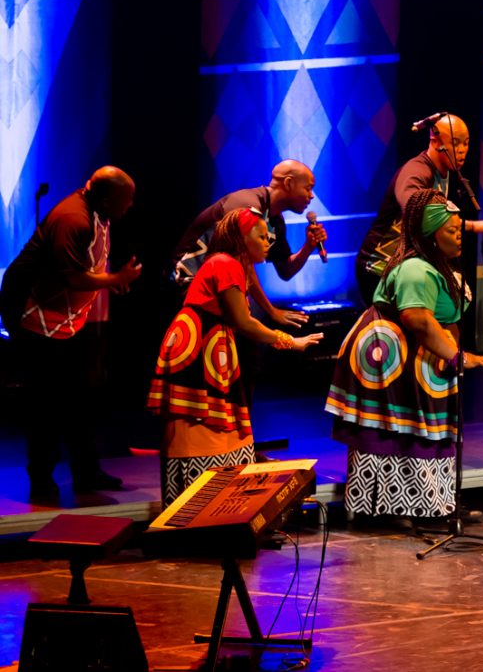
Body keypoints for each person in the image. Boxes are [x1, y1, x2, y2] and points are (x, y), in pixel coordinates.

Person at [326, 189, 483, 529]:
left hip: (419, 356)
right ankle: (394, 506)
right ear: (430, 234)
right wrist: (458, 357)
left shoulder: (436, 264)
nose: (459, 235)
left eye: (461, 229)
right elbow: (418, 319)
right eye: (451, 230)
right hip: (394, 356)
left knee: (418, 429)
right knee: (398, 429)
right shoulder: (416, 269)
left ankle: (428, 501)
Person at [149, 208, 323, 505]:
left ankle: (218, 506)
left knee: (220, 426)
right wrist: (291, 342)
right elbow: (244, 322)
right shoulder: (225, 264)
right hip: (199, 345)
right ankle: (197, 507)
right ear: (242, 238)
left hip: (211, 344)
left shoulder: (233, 264)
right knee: (200, 425)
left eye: (269, 237)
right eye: (261, 236)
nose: (268, 242)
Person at [0, 167, 140, 503]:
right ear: (107, 198)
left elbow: (91, 264)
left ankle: (87, 472)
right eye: (127, 200)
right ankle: (41, 480)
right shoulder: (72, 218)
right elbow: (74, 278)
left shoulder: (97, 212)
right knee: (46, 403)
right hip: (34, 318)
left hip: (66, 321)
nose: (130, 206)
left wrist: (111, 280)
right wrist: (114, 278)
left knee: (80, 399)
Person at [356, 112, 483, 303]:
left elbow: (437, 220)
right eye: (455, 142)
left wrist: (475, 226)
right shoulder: (417, 171)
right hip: (378, 267)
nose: (462, 150)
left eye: (466, 143)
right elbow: (415, 209)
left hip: (401, 267)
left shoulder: (443, 172)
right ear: (436, 142)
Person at [170, 159, 326, 329]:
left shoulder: (276, 221)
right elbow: (243, 262)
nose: (311, 196)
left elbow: (285, 270)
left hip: (217, 291)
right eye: (308, 188)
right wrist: (271, 311)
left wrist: (308, 247)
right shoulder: (246, 205)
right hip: (186, 286)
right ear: (288, 183)